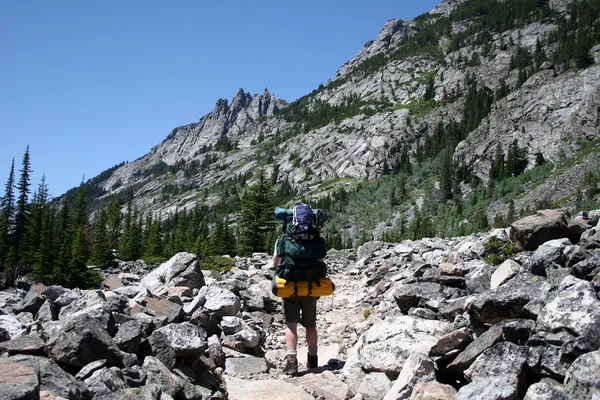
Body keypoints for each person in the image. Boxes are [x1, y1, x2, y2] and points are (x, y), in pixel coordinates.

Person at [272, 204, 327, 376]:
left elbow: (276, 262)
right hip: (311, 288)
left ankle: (291, 363)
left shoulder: (283, 239)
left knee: (291, 324)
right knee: (311, 325)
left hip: (290, 287)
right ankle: (313, 359)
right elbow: (321, 259)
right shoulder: (317, 240)